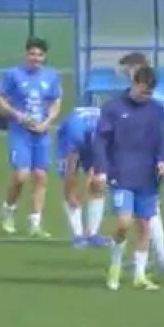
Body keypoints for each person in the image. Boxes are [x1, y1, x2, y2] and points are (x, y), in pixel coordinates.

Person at [95, 64, 164, 290]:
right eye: (143, 90)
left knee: (144, 225)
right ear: (134, 84)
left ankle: (139, 274)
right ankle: (115, 264)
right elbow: (101, 140)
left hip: (148, 176)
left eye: (150, 92)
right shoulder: (113, 107)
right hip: (121, 173)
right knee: (124, 221)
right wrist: (101, 169)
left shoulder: (157, 110)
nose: (146, 96)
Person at [0, 37, 61, 238]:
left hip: (41, 132)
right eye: (32, 54)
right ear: (26, 54)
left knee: (40, 176)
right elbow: (0, 98)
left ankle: (35, 223)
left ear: (44, 57)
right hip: (20, 131)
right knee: (21, 175)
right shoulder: (13, 75)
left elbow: (55, 102)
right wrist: (17, 115)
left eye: (40, 55)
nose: (36, 58)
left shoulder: (51, 76)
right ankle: (8, 209)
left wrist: (47, 122)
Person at [117, 52, 164, 270]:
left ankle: (159, 258)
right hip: (147, 158)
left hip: (150, 159)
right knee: (148, 211)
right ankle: (156, 257)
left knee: (149, 211)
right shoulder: (148, 94)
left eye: (129, 68)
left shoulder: (154, 97)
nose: (126, 72)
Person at [57, 105, 108, 248]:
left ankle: (93, 234)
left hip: (93, 140)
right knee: (71, 186)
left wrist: (95, 175)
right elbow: (71, 166)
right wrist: (72, 191)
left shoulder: (112, 131)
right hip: (69, 139)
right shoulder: (75, 132)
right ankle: (78, 235)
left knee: (99, 184)